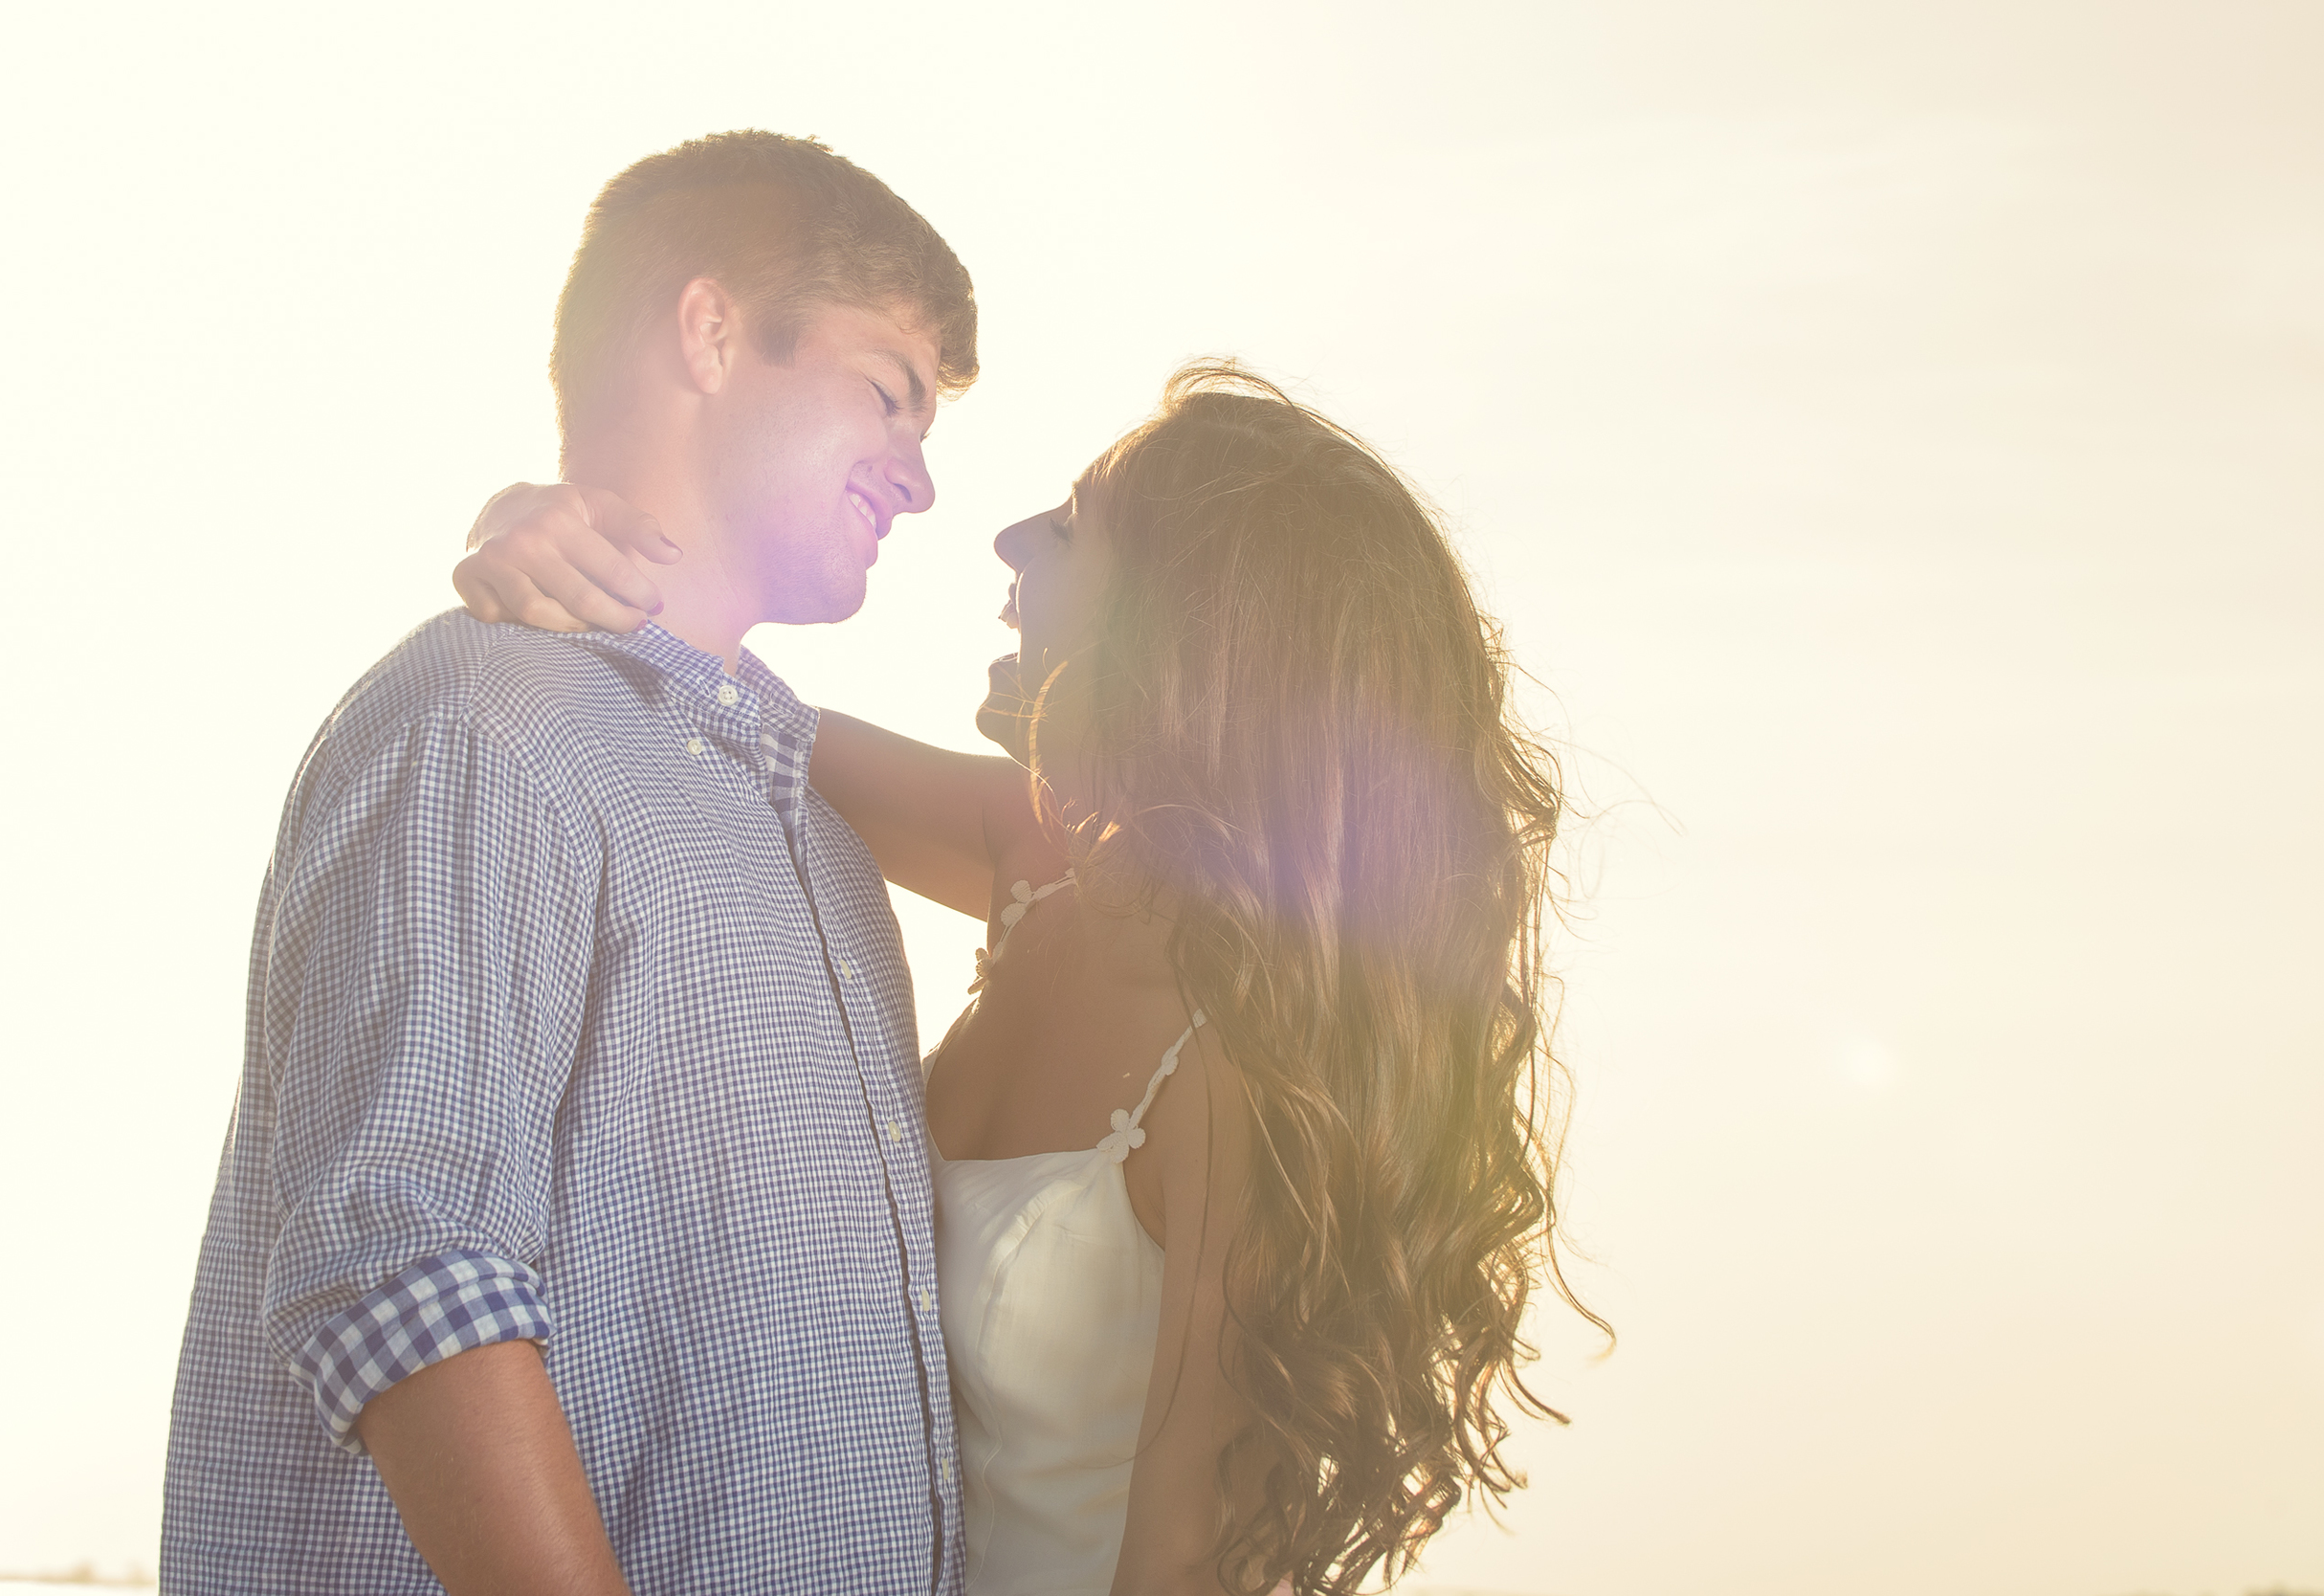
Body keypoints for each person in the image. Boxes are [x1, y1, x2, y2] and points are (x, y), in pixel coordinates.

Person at [457, 362, 1599, 1595]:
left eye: (1064, 529)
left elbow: (1184, 1562)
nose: (1004, 538)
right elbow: (715, 704)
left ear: (1185, 625)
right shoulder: (1037, 856)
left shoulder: (1244, 1071)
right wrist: (534, 524)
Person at [160, 130, 978, 1596]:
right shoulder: (485, 728)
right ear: (712, 330)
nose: (918, 481)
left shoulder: (819, 843)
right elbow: (404, 1276)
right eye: (890, 393)